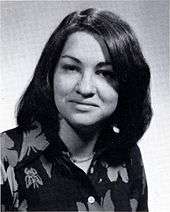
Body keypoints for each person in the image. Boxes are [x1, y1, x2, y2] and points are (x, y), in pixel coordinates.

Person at [1, 8, 152, 211]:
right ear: (50, 74)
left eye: (105, 73)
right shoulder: (5, 157)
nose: (85, 88)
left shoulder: (129, 156)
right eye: (71, 68)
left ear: (127, 84)